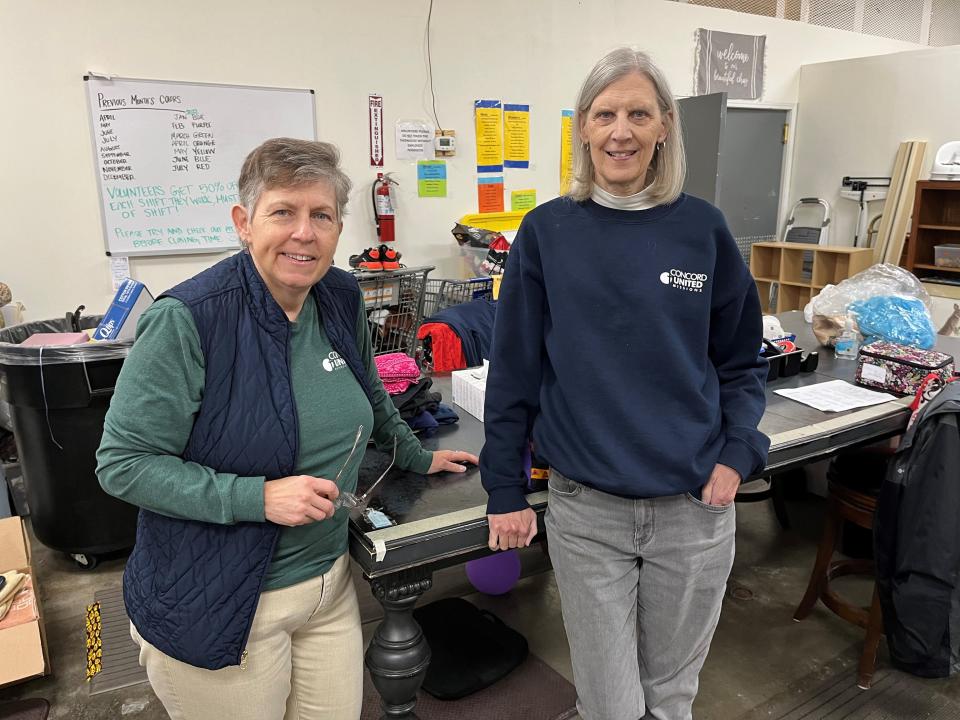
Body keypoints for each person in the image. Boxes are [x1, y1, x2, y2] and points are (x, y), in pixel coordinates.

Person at [97, 137, 478, 720]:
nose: (305, 232)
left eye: (321, 215)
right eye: (283, 212)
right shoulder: (189, 320)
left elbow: (368, 387)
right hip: (223, 597)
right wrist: (258, 496)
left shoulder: (338, 295)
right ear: (244, 223)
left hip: (326, 589)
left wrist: (414, 455)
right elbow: (123, 465)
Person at [480, 48, 769, 720]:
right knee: (610, 705)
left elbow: (741, 362)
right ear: (582, 126)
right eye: (605, 114)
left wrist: (736, 454)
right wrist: (503, 488)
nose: (621, 131)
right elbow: (515, 371)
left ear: (664, 125)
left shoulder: (704, 230)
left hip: (693, 510)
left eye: (639, 113)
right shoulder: (547, 231)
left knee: (669, 700)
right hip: (589, 513)